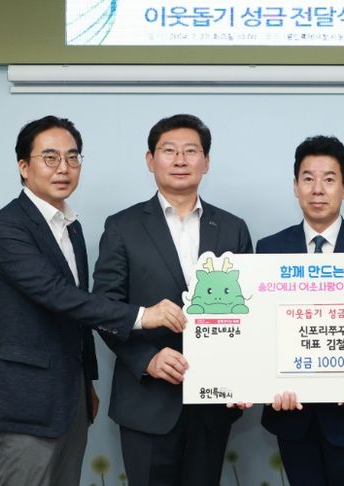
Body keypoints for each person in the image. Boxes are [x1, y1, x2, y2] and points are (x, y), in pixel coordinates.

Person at [0, 115, 183, 486]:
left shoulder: (70, 226)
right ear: (23, 167)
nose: (63, 168)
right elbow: (59, 296)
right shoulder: (7, 226)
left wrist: (86, 382)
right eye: (50, 157)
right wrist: (141, 315)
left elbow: (77, 317)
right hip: (26, 403)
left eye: (72, 157)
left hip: (70, 399)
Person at [92, 113, 253, 486]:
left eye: (191, 151)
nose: (180, 160)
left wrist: (244, 377)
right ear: (150, 160)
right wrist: (146, 359)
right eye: (169, 151)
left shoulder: (233, 228)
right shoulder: (122, 227)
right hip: (146, 402)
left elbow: (250, 313)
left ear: (206, 161)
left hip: (214, 403)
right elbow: (104, 308)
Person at [256, 135, 344, 486]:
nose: (318, 189)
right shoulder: (268, 249)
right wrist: (268, 384)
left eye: (329, 179)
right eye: (308, 179)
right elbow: (262, 330)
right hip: (292, 417)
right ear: (295, 186)